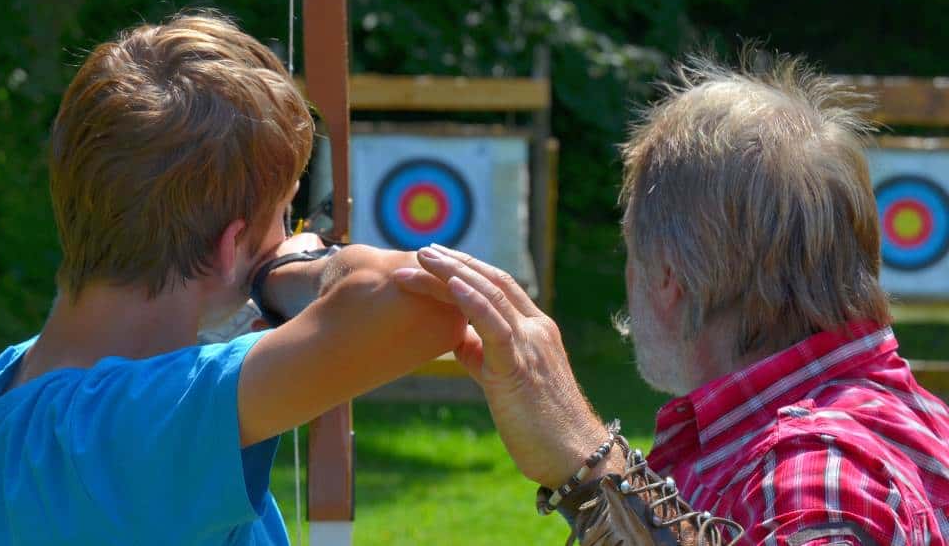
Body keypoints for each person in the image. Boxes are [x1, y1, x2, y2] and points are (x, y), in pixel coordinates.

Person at [0, 11, 467, 545]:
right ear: (228, 247)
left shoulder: (3, 394)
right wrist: (291, 266)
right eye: (283, 221)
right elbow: (429, 299)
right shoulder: (151, 424)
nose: (290, 235)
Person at [395, 54, 949, 545]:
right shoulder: (916, 423)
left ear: (666, 278)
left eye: (632, 252)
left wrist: (591, 466)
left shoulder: (811, 473)